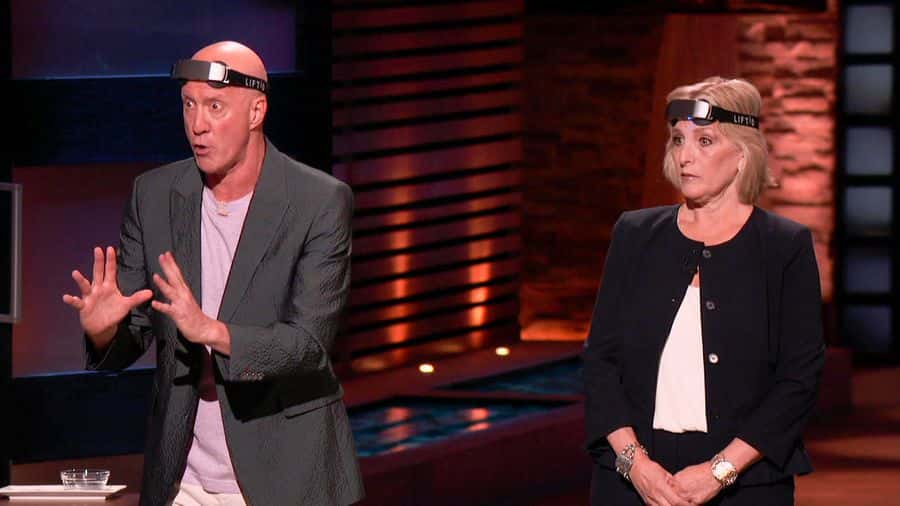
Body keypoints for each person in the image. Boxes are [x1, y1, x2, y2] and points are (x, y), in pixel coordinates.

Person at [62, 41, 365, 506]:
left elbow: (308, 345)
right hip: (182, 479)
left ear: (256, 111)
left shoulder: (319, 202)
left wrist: (212, 331)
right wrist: (104, 331)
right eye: (189, 105)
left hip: (285, 475)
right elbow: (135, 332)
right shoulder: (154, 195)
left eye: (215, 106)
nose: (197, 124)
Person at [582, 76, 825, 506]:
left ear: (742, 153)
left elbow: (798, 381)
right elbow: (600, 361)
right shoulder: (635, 234)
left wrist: (719, 472)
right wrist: (635, 466)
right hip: (632, 482)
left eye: (705, 141)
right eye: (678, 140)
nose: (685, 156)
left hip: (746, 485)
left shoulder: (783, 246)